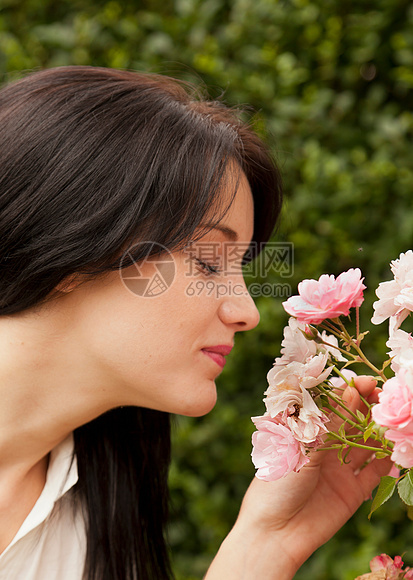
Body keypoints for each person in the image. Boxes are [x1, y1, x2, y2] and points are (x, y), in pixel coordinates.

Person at [0, 66, 391, 580]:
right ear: (72, 249)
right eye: (208, 262)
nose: (247, 312)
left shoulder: (95, 516)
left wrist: (265, 544)